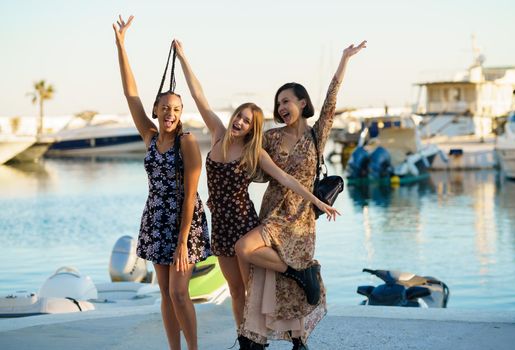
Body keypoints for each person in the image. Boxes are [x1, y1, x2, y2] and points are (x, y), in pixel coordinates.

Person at [174, 40, 340, 347]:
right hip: (220, 224)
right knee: (235, 291)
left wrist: (317, 202)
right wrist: (184, 58)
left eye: (247, 120)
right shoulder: (218, 134)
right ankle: (246, 340)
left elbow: (286, 178)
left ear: (253, 128)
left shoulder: (254, 151)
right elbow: (199, 97)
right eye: (239, 115)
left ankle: (271, 329)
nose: (239, 121)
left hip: (244, 221)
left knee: (254, 291)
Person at [235, 40, 367, 349]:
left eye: (287, 101)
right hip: (273, 212)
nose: (282, 108)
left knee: (285, 285)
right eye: (278, 103)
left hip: (301, 218)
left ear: (302, 103)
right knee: (252, 255)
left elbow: (332, 99)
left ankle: (299, 339)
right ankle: (300, 275)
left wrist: (344, 60)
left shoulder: (316, 135)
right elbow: (256, 174)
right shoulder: (269, 137)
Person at [113, 16, 211, 350]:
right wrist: (121, 45)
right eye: (165, 107)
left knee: (179, 293)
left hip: (185, 222)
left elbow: (191, 194)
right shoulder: (151, 136)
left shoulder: (187, 141)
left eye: (176, 108)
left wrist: (183, 241)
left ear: (180, 112)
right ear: (156, 109)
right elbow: (130, 95)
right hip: (155, 219)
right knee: (165, 295)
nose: (170, 112)